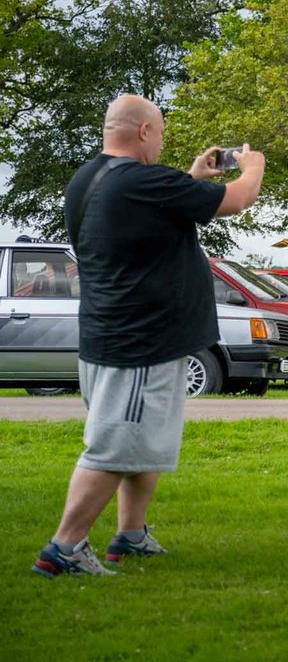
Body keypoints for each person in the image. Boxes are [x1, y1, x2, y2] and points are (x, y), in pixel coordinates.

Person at [34, 95, 264, 578]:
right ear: (143, 132)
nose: (160, 142)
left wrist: (194, 177)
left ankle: (130, 535)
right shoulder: (143, 181)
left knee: (144, 444)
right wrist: (252, 165)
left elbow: (153, 206)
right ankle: (64, 548)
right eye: (159, 132)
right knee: (115, 446)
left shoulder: (90, 179)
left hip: (111, 333)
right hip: (138, 342)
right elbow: (240, 199)